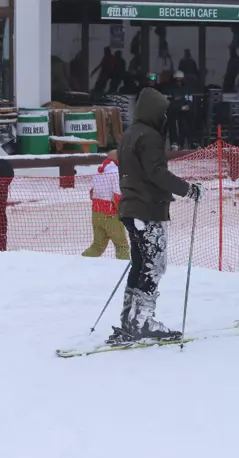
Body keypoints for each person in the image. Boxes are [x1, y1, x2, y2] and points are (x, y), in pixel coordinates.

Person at [108, 87, 203, 344]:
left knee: (140, 264)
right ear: (154, 112)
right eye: (163, 113)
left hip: (131, 208)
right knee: (153, 265)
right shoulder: (149, 136)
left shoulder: (129, 134)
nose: (165, 118)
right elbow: (156, 173)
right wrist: (189, 189)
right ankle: (143, 321)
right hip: (147, 209)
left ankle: (130, 318)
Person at [82, 150, 129, 260]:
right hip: (111, 215)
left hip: (96, 213)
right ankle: (123, 267)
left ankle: (80, 262)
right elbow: (117, 196)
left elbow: (91, 194)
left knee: (97, 246)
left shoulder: (99, 171)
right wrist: (123, 213)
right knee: (121, 246)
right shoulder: (116, 173)